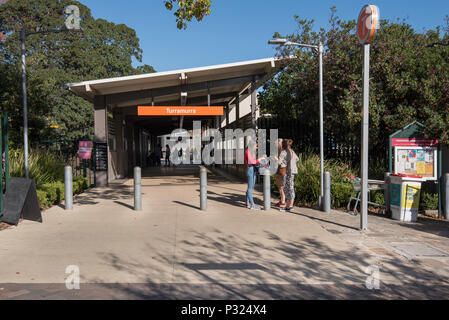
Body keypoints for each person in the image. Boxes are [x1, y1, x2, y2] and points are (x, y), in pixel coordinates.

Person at [278, 139, 299, 212]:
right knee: (291, 187)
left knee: (286, 188)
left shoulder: (283, 152)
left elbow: (279, 162)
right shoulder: (292, 151)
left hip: (287, 171)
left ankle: (290, 206)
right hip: (293, 171)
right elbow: (297, 159)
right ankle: (289, 205)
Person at [244, 139, 265, 211]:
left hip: (253, 169)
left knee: (251, 187)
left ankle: (247, 203)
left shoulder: (252, 151)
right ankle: (252, 204)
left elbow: (255, 162)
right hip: (250, 169)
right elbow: (252, 161)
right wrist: (259, 159)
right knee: (250, 188)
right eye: (256, 145)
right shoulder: (247, 151)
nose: (257, 147)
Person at [274, 139, 286, 207]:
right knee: (280, 186)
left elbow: (281, 161)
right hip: (280, 170)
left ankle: (283, 200)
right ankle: (282, 199)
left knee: (281, 186)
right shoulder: (280, 151)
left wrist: (276, 159)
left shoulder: (283, 152)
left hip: (281, 170)